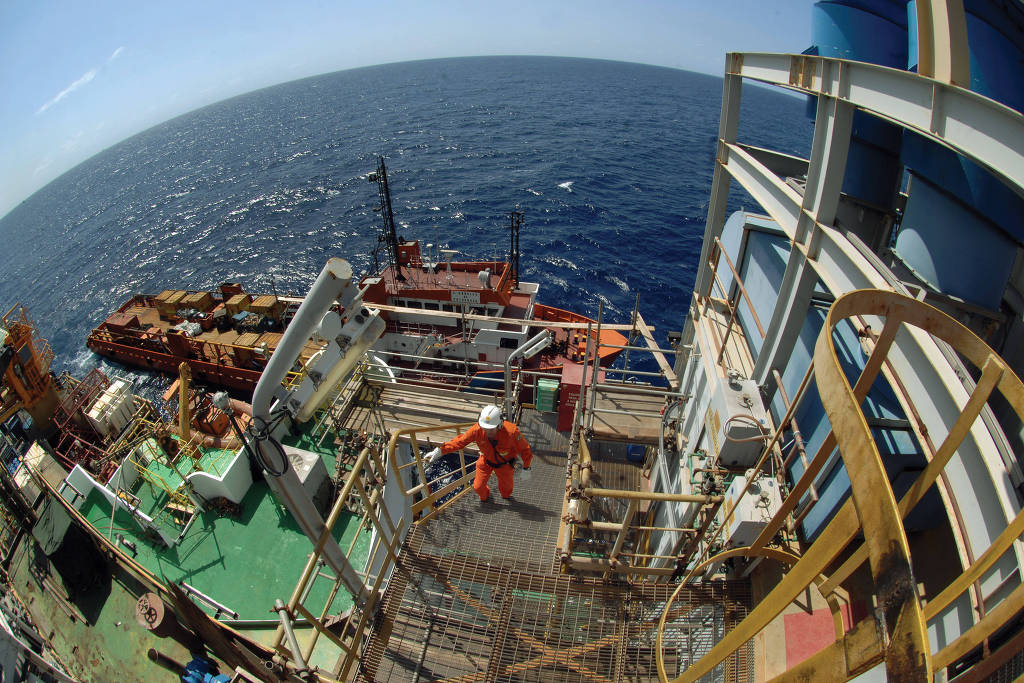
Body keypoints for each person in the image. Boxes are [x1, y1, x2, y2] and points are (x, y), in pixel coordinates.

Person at [424, 405, 533, 502]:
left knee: (506, 490)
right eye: (485, 428)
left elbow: (525, 449)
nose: (487, 432)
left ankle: (506, 496)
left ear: (500, 424)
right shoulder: (477, 430)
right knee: (478, 487)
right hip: (486, 461)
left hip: (504, 465)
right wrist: (440, 451)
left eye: (491, 429)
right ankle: (485, 498)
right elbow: (460, 441)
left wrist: (526, 467)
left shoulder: (512, 432)